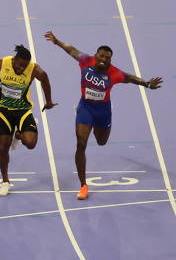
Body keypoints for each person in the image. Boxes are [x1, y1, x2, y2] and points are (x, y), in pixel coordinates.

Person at [44, 30, 162, 200]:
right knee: (81, 144)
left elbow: (129, 78)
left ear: (110, 60)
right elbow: (71, 50)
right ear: (96, 55)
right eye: (101, 56)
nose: (103, 60)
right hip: (85, 109)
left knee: (101, 142)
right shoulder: (86, 61)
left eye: (107, 58)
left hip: (103, 112)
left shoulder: (114, 73)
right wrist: (57, 41)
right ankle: (83, 185)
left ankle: (99, 131)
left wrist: (146, 84)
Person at [0, 45, 56, 196]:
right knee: (2, 148)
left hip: (23, 111)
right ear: (14, 60)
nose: (21, 69)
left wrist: (49, 101)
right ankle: (5, 182)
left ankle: (19, 134)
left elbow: (45, 79)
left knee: (31, 144)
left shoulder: (33, 69)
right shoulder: (1, 63)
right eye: (19, 65)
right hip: (4, 112)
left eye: (24, 66)